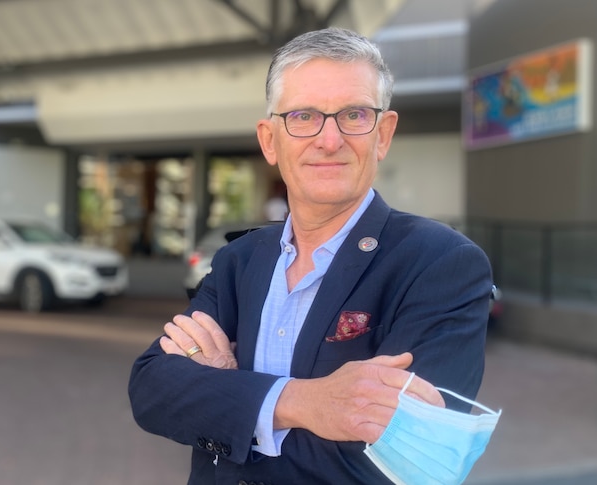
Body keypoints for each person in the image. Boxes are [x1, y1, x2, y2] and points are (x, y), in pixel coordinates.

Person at [128, 27, 493, 483]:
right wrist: (304, 403)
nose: (329, 139)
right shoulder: (238, 261)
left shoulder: (441, 264)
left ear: (383, 134)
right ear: (270, 140)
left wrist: (227, 389)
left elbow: (408, 464)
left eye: (354, 114)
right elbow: (152, 390)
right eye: (303, 116)